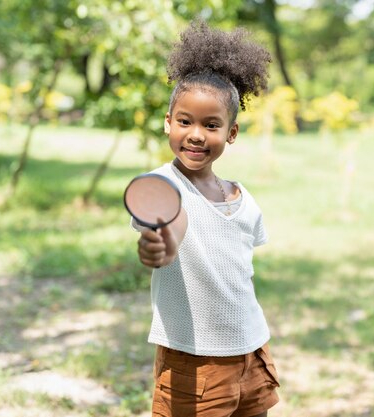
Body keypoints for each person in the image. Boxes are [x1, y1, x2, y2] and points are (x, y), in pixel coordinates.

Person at [131, 21, 280, 417]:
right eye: (185, 121)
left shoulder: (243, 199)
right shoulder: (165, 184)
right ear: (167, 122)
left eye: (210, 125)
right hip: (193, 361)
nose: (196, 134)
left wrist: (253, 353)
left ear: (231, 133)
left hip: (252, 349)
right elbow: (169, 225)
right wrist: (159, 244)